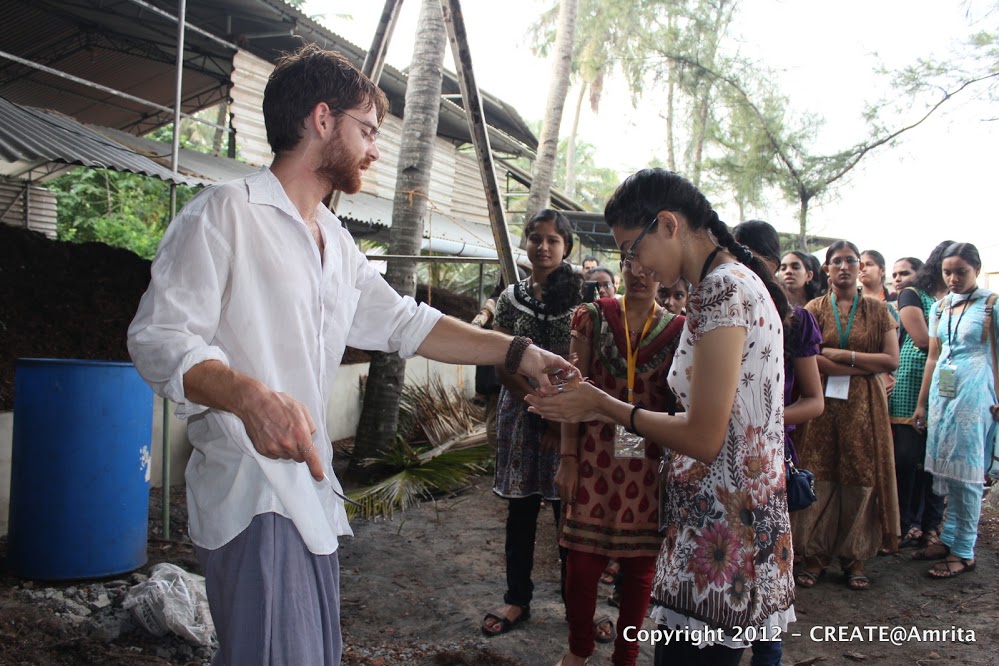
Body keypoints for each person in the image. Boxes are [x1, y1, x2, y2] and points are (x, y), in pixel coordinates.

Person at [126, 45, 574, 666]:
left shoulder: (335, 241)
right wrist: (249, 396)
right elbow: (160, 337)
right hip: (253, 493)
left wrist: (517, 350)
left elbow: (405, 322)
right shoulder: (225, 216)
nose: (375, 149)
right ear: (320, 119)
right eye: (367, 129)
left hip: (312, 499)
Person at [527, 168, 795, 666]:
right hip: (742, 518)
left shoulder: (718, 290)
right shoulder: (741, 281)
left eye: (631, 248)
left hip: (720, 531)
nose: (633, 263)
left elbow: (703, 436)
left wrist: (600, 404)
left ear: (668, 224)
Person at [555, 258, 683, 666]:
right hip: (593, 455)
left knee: (641, 567)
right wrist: (568, 457)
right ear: (622, 264)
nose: (642, 274)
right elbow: (570, 392)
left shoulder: (679, 330)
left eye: (651, 266)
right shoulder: (592, 316)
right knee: (582, 563)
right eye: (632, 264)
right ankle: (579, 649)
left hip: (647, 461)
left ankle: (626, 654)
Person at [482, 209, 583, 638]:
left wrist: (558, 422)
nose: (542, 247)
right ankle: (516, 599)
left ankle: (576, 603)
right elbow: (503, 359)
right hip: (521, 415)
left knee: (568, 514)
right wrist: (534, 406)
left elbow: (582, 362)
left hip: (566, 419)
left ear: (566, 247)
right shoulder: (510, 297)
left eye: (552, 240)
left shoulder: (583, 298)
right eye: (535, 238)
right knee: (521, 512)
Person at [735, 221, 824, 666]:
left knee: (766, 571)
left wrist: (763, 420)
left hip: (769, 459)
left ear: (772, 263)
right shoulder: (717, 306)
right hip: (715, 460)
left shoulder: (796, 319)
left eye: (752, 256)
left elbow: (814, 401)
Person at [792, 241, 900, 590]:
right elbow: (813, 359)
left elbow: (891, 360)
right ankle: (815, 555)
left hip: (865, 406)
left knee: (860, 473)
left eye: (850, 261)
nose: (844, 267)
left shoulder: (878, 310)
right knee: (820, 471)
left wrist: (843, 356)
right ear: (826, 269)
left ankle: (855, 558)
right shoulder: (814, 307)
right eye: (836, 261)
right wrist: (862, 365)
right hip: (822, 404)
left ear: (861, 267)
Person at [913, 242, 998, 578]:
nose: (952, 278)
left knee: (969, 471)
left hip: (976, 393)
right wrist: (922, 402)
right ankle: (949, 537)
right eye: (947, 272)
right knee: (947, 468)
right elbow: (933, 356)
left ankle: (964, 550)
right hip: (943, 396)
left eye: (960, 271)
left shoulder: (991, 304)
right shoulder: (940, 307)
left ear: (976, 269)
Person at [889, 243, 950, 550]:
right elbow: (923, 340)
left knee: (935, 461)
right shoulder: (913, 294)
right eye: (947, 267)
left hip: (947, 389)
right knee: (905, 458)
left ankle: (929, 525)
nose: (951, 274)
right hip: (911, 387)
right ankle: (902, 524)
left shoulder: (958, 301)